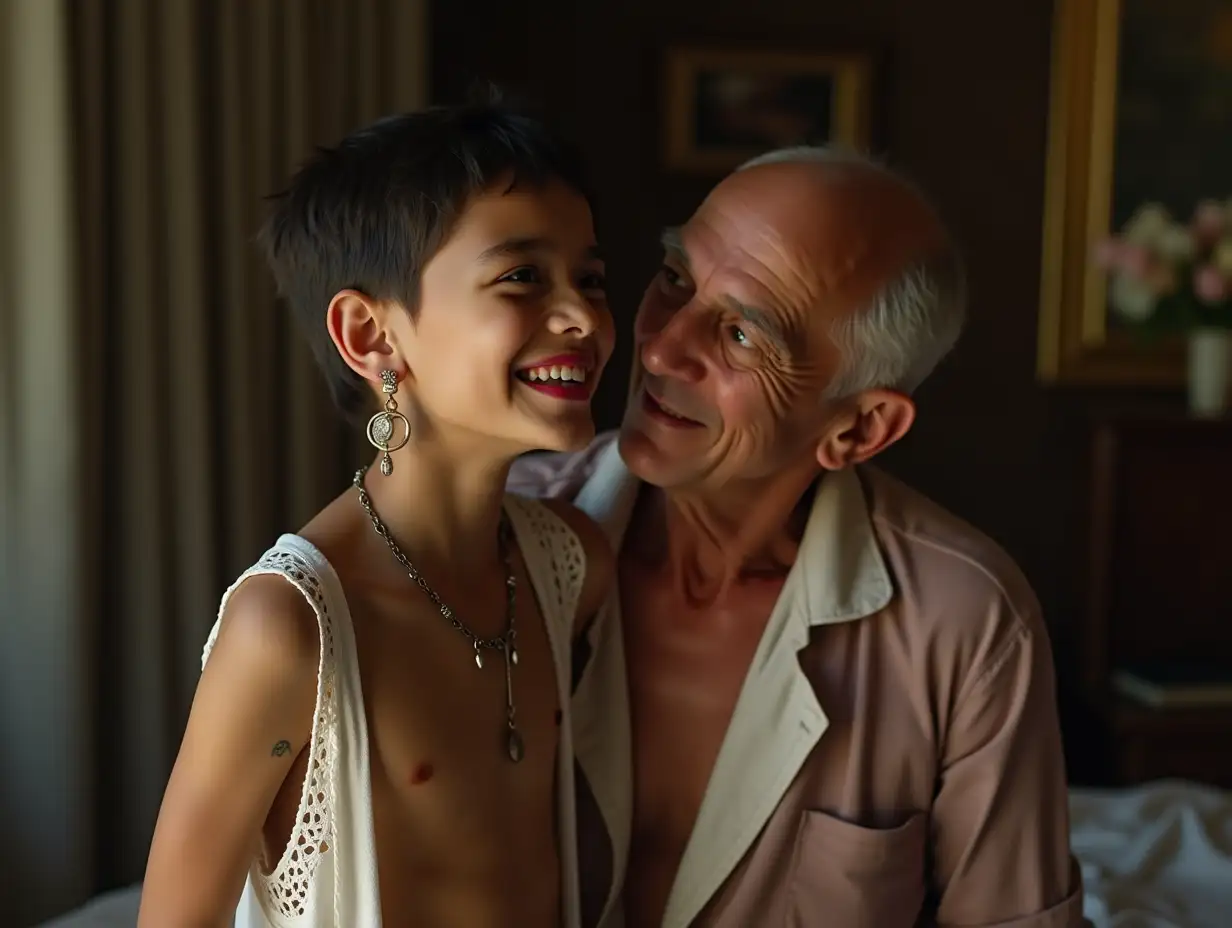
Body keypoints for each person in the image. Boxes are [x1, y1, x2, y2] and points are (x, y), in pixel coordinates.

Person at [509, 147, 1086, 927]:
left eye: (743, 335)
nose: (658, 348)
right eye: (675, 278)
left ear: (859, 428)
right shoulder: (495, 536)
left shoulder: (964, 620)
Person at [139, 102, 615, 928]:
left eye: (593, 279)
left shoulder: (571, 565)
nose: (583, 317)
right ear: (371, 335)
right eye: (522, 277)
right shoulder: (290, 629)